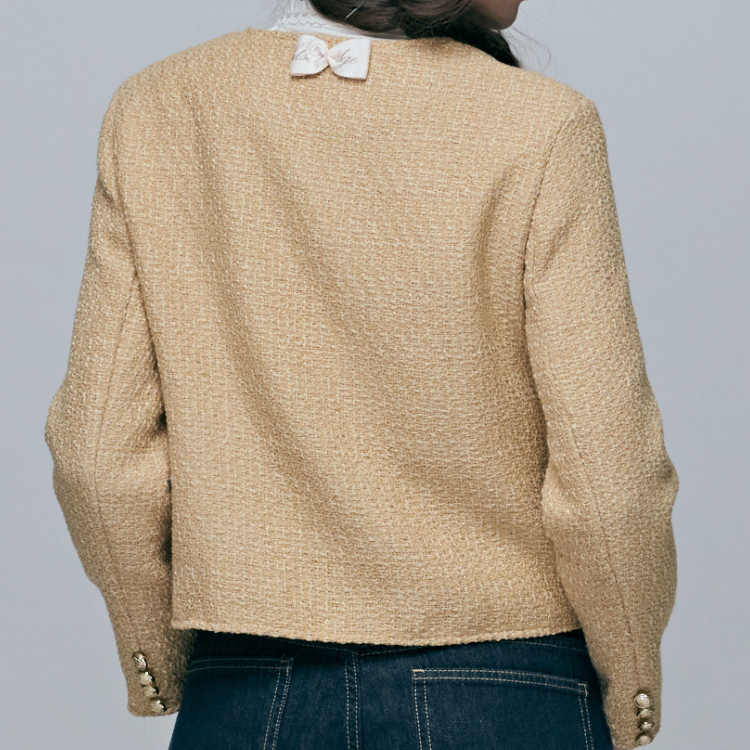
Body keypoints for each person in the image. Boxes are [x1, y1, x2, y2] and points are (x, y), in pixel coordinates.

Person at [43, 0, 679, 748]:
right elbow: (610, 478)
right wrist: (631, 678)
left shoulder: (157, 109)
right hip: (504, 683)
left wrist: (166, 657)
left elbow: (97, 459)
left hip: (247, 686)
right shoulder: (542, 125)